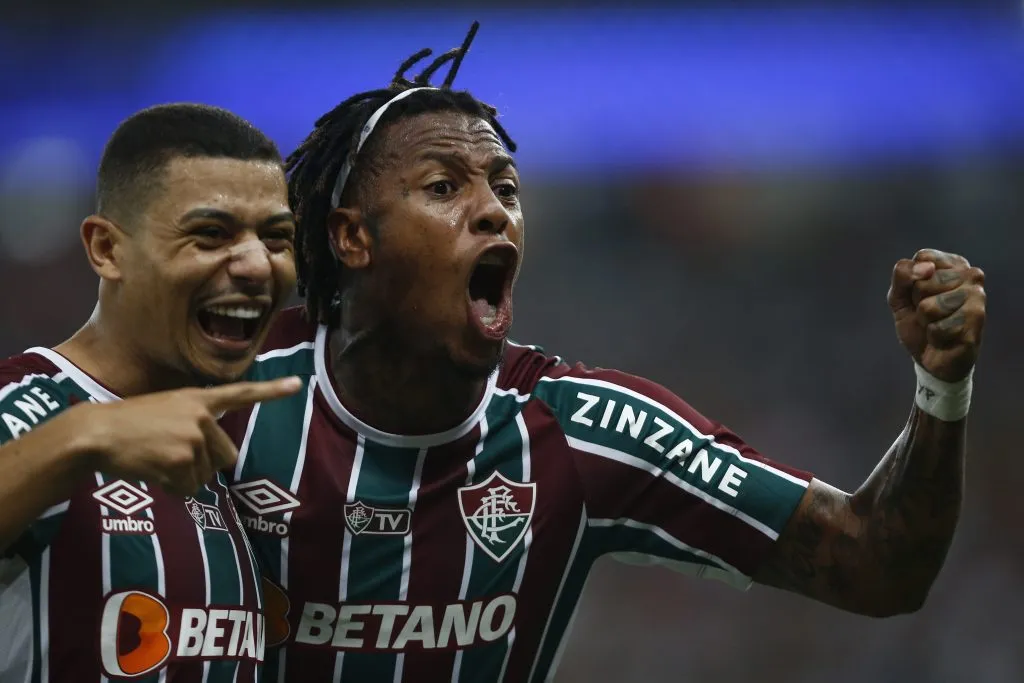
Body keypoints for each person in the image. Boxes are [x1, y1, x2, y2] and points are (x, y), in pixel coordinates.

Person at [221, 24, 987, 683]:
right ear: (353, 236)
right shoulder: (220, 394)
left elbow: (877, 565)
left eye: (506, 187)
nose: (493, 210)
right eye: (444, 186)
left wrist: (941, 386)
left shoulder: (581, 432)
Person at [0, 103, 303, 682]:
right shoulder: (27, 401)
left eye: (277, 237)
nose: (256, 264)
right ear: (107, 250)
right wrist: (83, 435)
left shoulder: (240, 431)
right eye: (211, 234)